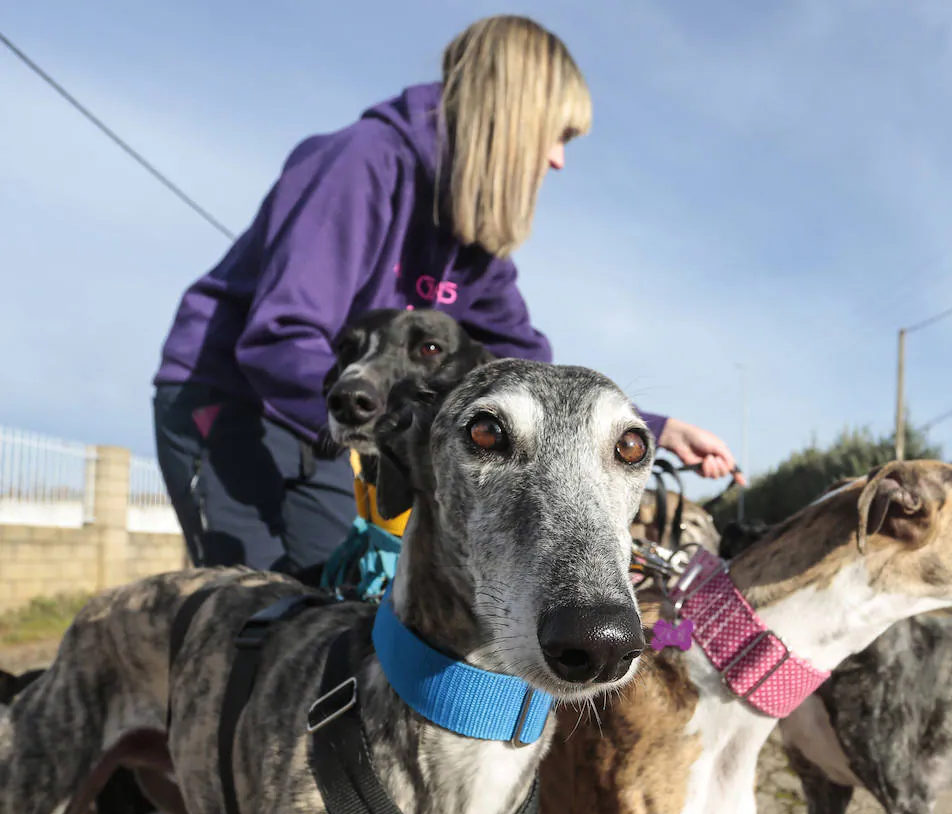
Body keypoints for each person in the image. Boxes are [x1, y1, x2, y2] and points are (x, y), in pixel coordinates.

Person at [152, 14, 743, 578]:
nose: (558, 160)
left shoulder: (474, 240)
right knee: (256, 615)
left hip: (338, 426)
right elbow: (280, 337)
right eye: (557, 135)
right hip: (227, 400)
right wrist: (407, 431)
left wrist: (651, 427)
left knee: (334, 600)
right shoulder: (362, 163)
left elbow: (523, 369)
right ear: (513, 112)